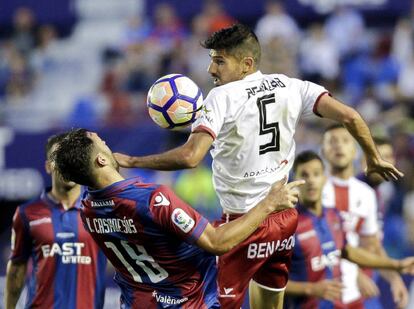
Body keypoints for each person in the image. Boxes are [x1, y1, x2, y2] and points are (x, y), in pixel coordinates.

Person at [114, 24, 403, 308]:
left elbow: (191, 157)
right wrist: (373, 156)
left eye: (219, 61)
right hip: (284, 216)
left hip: (242, 223)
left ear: (246, 64)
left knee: (210, 301)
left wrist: (134, 160)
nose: (211, 70)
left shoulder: (222, 97)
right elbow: (350, 116)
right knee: (268, 301)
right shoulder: (293, 86)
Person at [52, 128, 304, 309]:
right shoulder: (151, 199)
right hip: (188, 301)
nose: (108, 145)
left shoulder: (87, 209)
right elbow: (217, 243)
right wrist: (269, 203)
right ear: (102, 159)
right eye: (103, 143)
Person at [285, 150, 414, 309]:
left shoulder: (334, 215)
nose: (311, 180)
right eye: (304, 175)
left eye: (316, 174)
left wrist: (395, 265)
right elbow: (264, 281)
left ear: (325, 179)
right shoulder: (286, 223)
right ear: (294, 181)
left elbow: (348, 252)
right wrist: (311, 289)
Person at [4, 133, 107, 309]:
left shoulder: (101, 210)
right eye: (59, 157)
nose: (66, 163)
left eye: (72, 157)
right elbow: (17, 269)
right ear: (48, 166)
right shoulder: (27, 213)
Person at [322, 124, 408, 308]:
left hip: (363, 287)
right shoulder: (322, 189)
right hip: (331, 286)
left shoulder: (372, 193)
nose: (386, 162)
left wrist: (394, 278)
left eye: (390, 156)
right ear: (364, 158)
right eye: (380, 156)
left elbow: (373, 245)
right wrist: (356, 273)